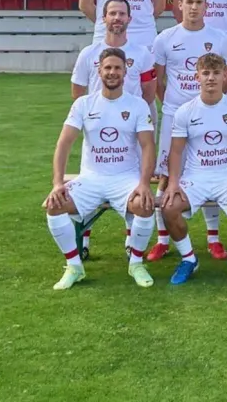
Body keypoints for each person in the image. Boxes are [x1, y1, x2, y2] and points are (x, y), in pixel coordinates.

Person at [42, 48, 158, 290]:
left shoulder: (137, 105)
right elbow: (63, 144)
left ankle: (136, 263)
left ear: (126, 71)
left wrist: (144, 184)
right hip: (91, 178)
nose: (112, 72)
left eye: (117, 68)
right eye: (108, 68)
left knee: (145, 206)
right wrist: (57, 184)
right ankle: (74, 266)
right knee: (54, 206)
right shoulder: (84, 104)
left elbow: (148, 146)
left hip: (125, 178)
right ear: (99, 70)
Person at [147, 0, 227, 262]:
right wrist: (175, 106)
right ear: (179, 4)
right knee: (166, 176)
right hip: (176, 115)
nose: (194, 7)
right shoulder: (165, 38)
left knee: (211, 170)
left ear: (206, 6)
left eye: (199, 2)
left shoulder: (221, 38)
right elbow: (158, 79)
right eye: (189, 2)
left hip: (211, 115)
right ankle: (163, 239)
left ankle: (214, 239)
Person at [160, 54, 227, 285]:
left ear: (225, 76)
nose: (211, 78)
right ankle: (188, 259)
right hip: (196, 177)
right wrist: (173, 183)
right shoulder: (185, 111)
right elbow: (175, 152)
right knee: (168, 207)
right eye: (206, 73)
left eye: (216, 73)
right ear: (197, 77)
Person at [71, 0, 157, 102]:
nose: (117, 17)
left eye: (122, 14)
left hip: (131, 117)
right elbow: (77, 94)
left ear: (129, 19)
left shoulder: (143, 54)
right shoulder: (88, 53)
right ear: (103, 18)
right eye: (112, 13)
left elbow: (149, 94)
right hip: (98, 117)